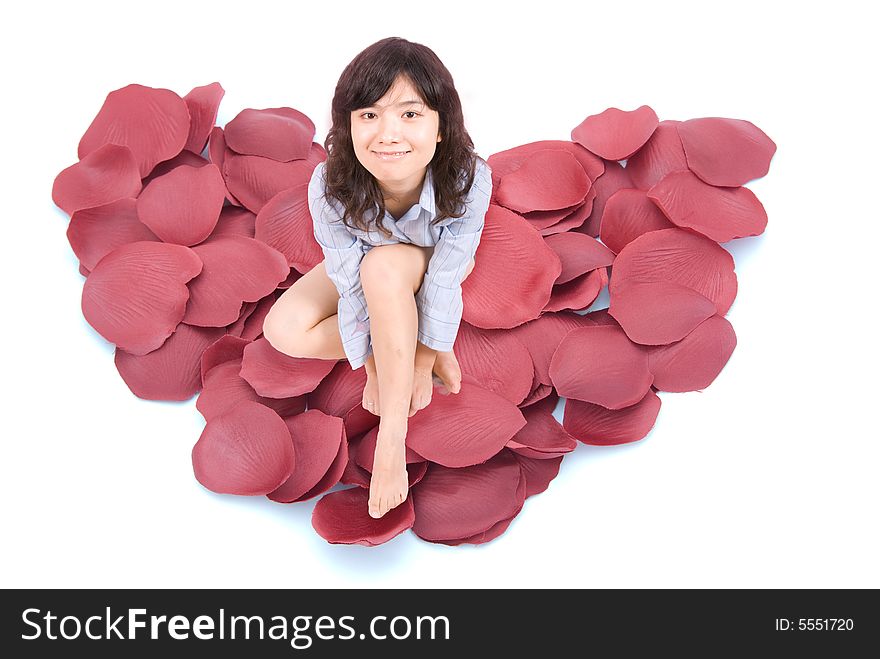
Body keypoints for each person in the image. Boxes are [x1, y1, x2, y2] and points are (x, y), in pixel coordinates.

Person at [263, 37, 492, 519]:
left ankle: (392, 441)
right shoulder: (329, 184)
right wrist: (376, 363)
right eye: (369, 114)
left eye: (410, 114)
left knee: (384, 267)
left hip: (431, 264)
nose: (388, 134)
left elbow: (447, 274)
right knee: (281, 330)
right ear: (348, 127)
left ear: (442, 128)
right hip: (365, 267)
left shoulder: (469, 177)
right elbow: (347, 279)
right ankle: (397, 340)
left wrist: (425, 353)